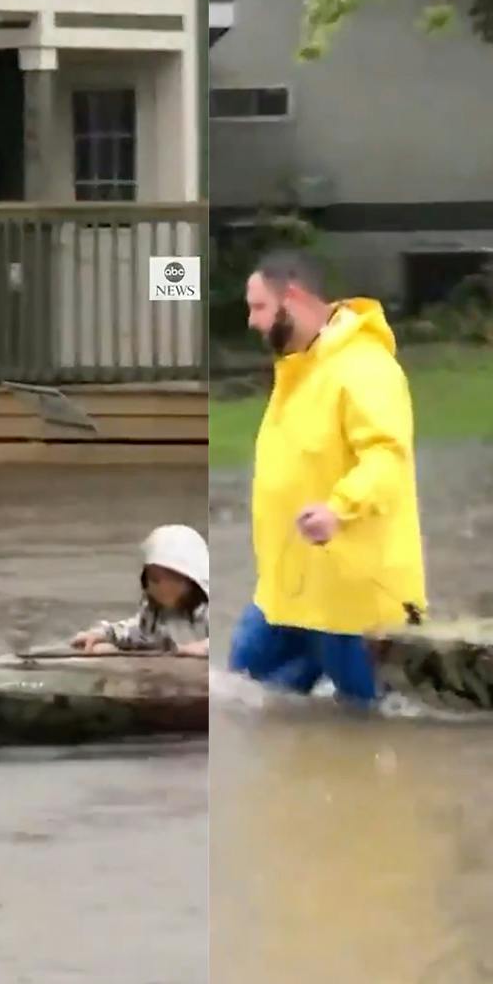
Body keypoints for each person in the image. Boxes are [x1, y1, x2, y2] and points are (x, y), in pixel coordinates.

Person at [228, 250, 426, 705]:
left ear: (292, 297)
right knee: (242, 694)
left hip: (351, 597)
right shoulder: (300, 368)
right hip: (288, 591)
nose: (252, 322)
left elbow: (385, 457)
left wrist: (338, 509)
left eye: (259, 307)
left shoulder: (365, 367)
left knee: (372, 718)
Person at [70, 524, 212, 656]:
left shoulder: (207, 611)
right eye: (154, 579)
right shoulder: (154, 613)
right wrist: (104, 633)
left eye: (172, 577)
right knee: (100, 650)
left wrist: (199, 648)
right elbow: (136, 631)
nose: (162, 587)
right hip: (166, 666)